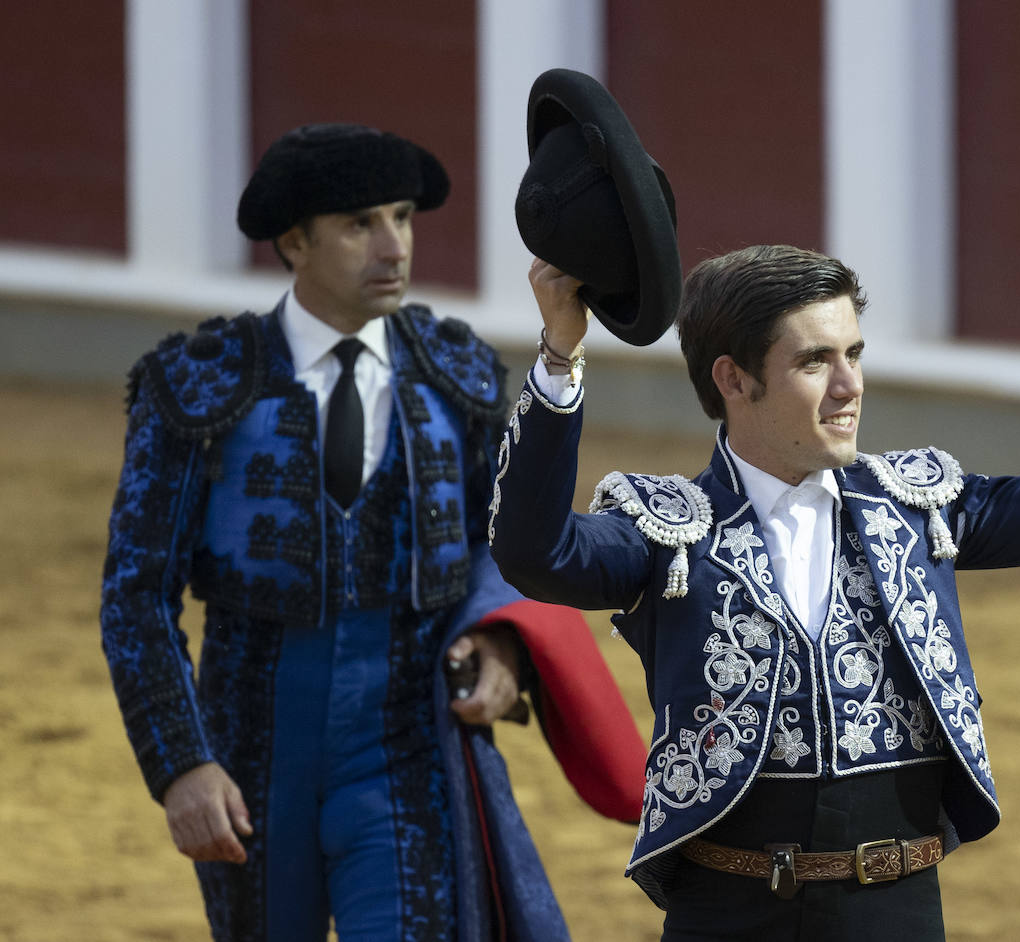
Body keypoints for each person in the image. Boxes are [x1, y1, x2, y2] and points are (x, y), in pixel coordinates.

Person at [488, 132, 1020, 940]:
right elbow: (533, 554)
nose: (852, 386)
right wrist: (560, 356)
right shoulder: (667, 530)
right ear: (734, 378)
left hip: (893, 907)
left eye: (855, 353)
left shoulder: (919, 507)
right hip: (728, 913)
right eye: (817, 360)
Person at [100, 123, 644, 942]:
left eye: (402, 217)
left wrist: (503, 649)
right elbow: (137, 594)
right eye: (360, 225)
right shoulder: (198, 387)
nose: (394, 246)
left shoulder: (454, 374)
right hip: (249, 758)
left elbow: (501, 548)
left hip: (403, 747)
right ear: (294, 241)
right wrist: (181, 762)